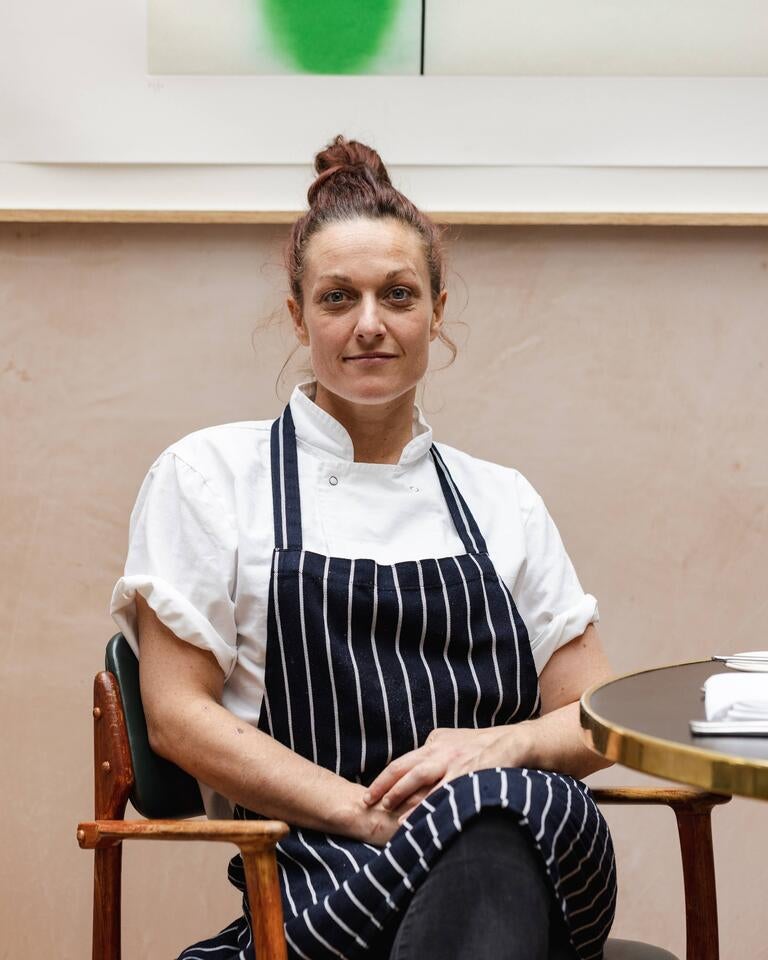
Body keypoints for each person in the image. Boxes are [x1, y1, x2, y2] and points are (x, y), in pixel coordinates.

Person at [110, 135, 617, 960]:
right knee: (485, 829)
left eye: (399, 294)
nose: (371, 325)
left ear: (437, 311)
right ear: (298, 314)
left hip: (529, 854)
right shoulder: (209, 477)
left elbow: (597, 717)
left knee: (495, 821)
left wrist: (496, 750)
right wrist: (361, 810)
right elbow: (176, 717)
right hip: (320, 884)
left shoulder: (502, 500)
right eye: (339, 297)